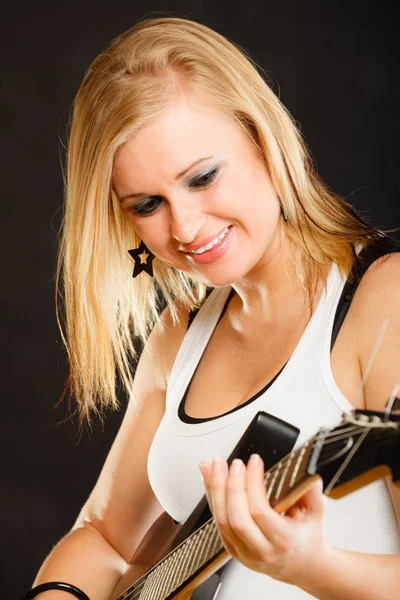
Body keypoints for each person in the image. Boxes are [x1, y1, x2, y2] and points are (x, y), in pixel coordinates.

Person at [28, 16, 400, 600]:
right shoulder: (179, 334)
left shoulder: (383, 301)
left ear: (261, 138)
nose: (185, 228)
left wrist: (307, 565)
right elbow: (104, 538)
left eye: (202, 177)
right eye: (148, 204)